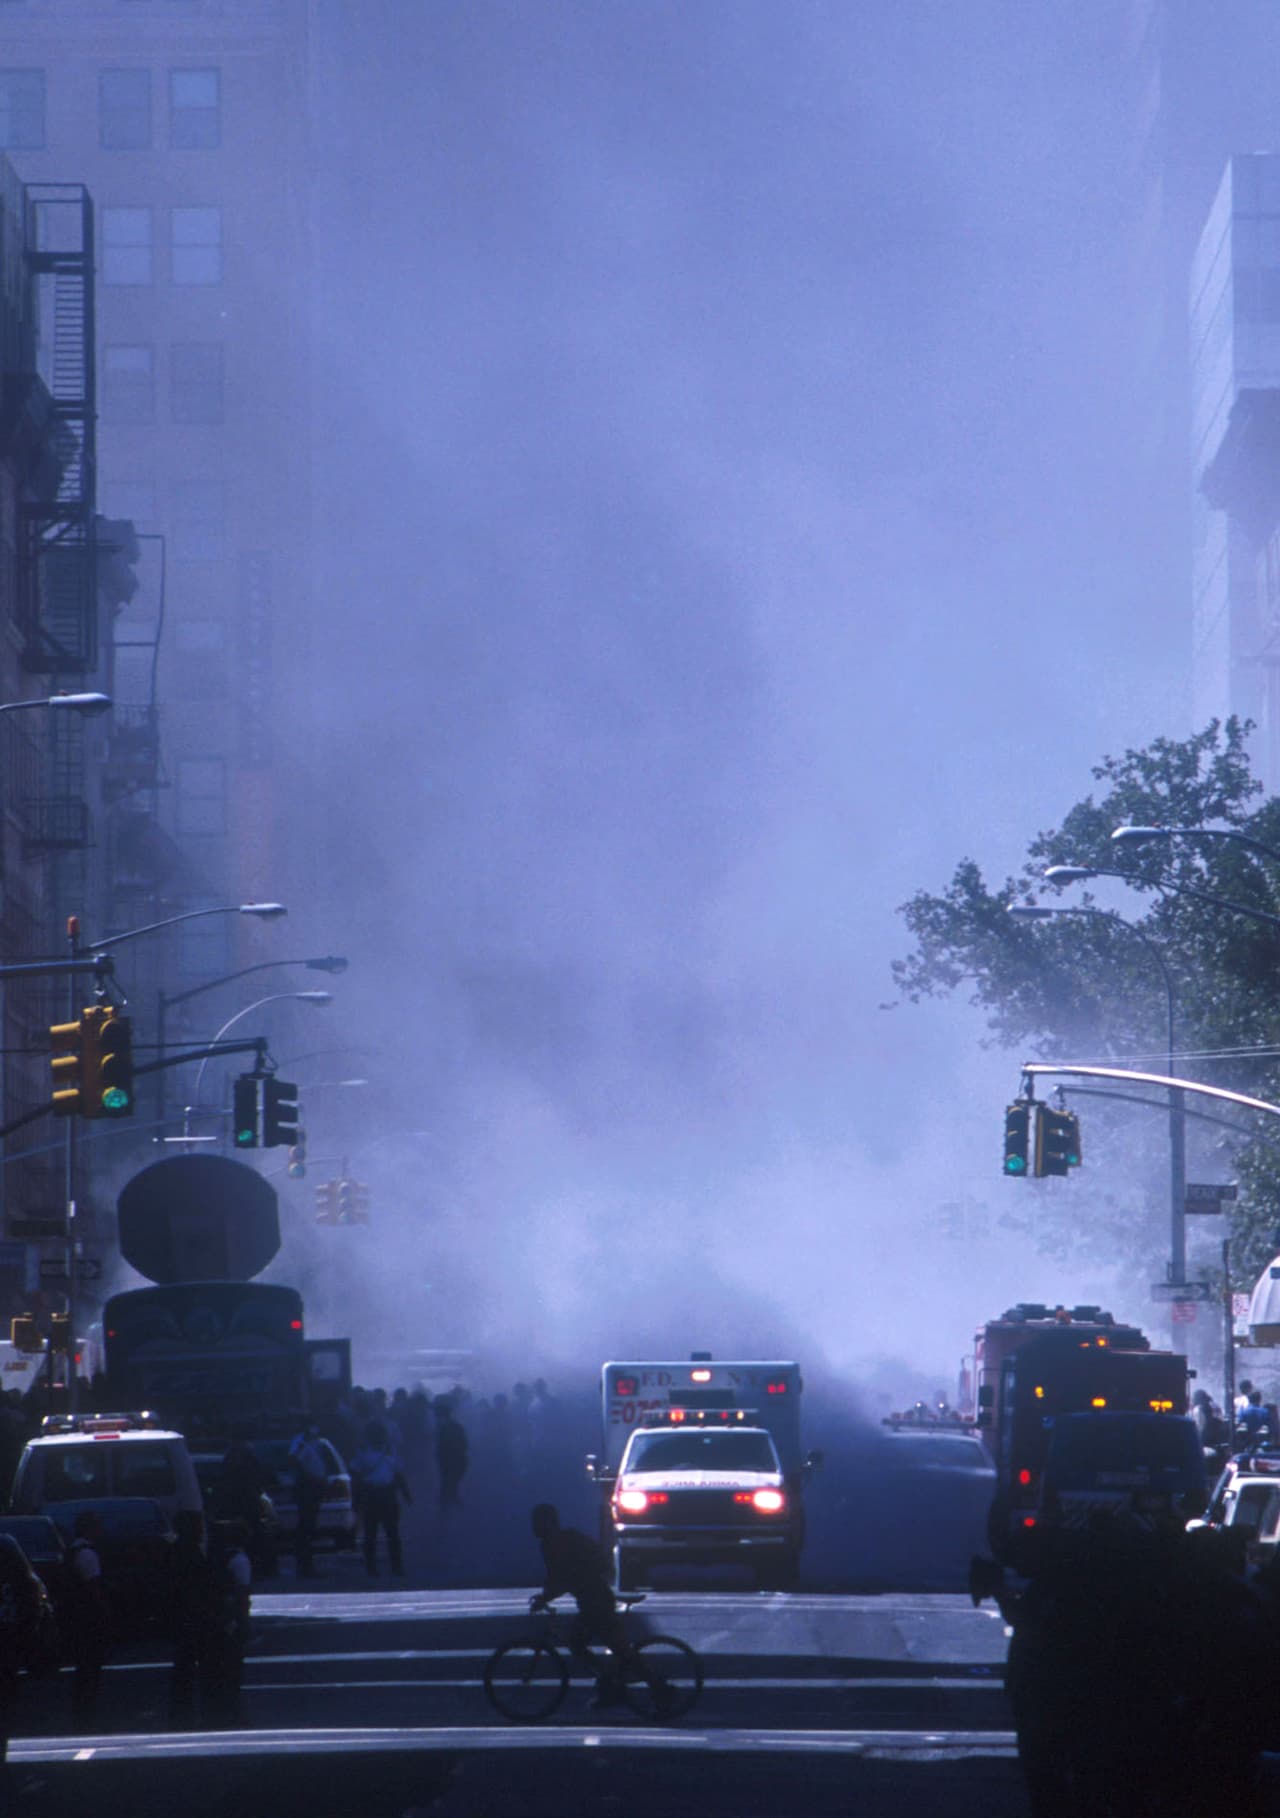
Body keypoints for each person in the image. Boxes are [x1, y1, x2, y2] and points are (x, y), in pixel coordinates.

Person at [529, 1503, 628, 1707]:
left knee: (579, 1643)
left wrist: (544, 1598)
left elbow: (561, 1578)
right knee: (613, 1646)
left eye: (537, 1523)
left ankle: (613, 1684)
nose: (534, 1528)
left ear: (546, 1524)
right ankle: (609, 1685)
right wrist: (546, 1595)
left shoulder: (553, 1545)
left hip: (595, 1602)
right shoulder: (566, 1538)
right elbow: (558, 1578)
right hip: (595, 1599)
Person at [349, 1420, 411, 1577]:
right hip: (372, 1495)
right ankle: (372, 1568)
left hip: (387, 1495)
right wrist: (355, 1500)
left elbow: (398, 1474)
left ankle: (396, 1567)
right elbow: (355, 1476)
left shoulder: (390, 1451)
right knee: (371, 1534)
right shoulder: (363, 1453)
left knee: (392, 1534)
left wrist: (405, 1493)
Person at [66, 1508, 109, 1719]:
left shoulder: (72, 1551)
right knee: (90, 1667)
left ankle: (82, 1710)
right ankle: (85, 1712)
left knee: (84, 1668)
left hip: (76, 1618)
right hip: (88, 1620)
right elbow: (94, 1588)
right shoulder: (87, 1554)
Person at [288, 1417, 327, 1578]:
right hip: (306, 1488)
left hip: (316, 1487)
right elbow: (294, 1459)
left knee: (310, 1527)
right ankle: (304, 1566)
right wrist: (307, 1476)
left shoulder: (316, 1442)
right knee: (305, 1528)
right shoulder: (300, 1442)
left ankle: (308, 1565)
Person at [434, 1398, 469, 1512]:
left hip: (451, 1461)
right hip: (457, 1461)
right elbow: (465, 1444)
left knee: (447, 1485)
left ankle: (447, 1511)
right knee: (450, 1485)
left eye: (438, 1416)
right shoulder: (456, 1426)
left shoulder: (444, 1428)